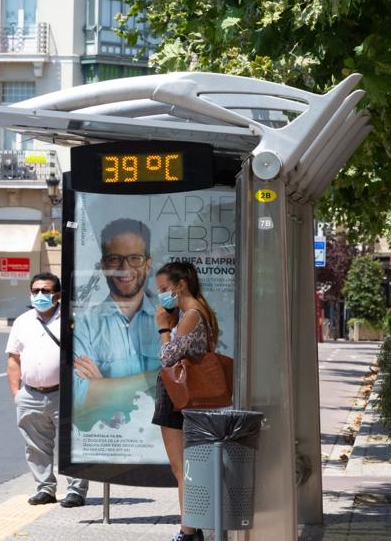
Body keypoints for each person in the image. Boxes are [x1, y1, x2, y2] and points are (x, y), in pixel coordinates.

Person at [6, 272, 89, 507]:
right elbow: (13, 358)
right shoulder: (23, 321)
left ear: (58, 294)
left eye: (46, 290)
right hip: (30, 393)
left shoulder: (72, 320)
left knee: (73, 443)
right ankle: (45, 488)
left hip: (65, 393)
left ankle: (76, 491)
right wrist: (17, 393)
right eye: (36, 291)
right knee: (35, 446)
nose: (40, 295)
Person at [73, 219, 161, 430]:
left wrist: (101, 386)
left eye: (135, 258)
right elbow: (79, 401)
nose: (125, 268)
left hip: (160, 441)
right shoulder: (85, 324)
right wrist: (156, 378)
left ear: (148, 265)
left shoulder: (170, 320)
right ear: (104, 265)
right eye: (115, 259)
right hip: (107, 439)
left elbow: (183, 388)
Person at [153, 261, 219, 541]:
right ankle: (192, 528)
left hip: (177, 396)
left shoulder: (191, 314)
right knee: (185, 467)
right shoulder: (199, 311)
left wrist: (163, 329)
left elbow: (168, 357)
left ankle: (187, 532)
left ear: (180, 286)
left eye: (164, 289)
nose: (161, 295)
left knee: (181, 468)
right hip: (185, 396)